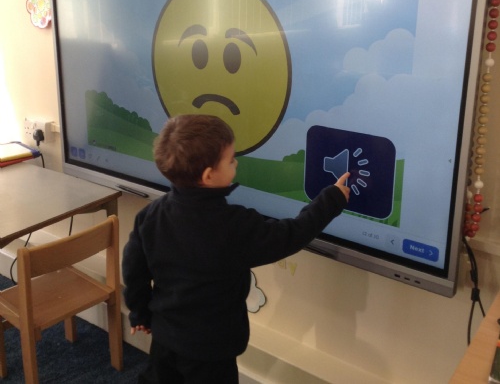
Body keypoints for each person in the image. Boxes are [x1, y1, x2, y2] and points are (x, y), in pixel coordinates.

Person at [122, 114, 350, 384]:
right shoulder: (234, 226)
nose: (236, 163)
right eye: (230, 160)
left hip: (165, 336)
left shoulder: (151, 214)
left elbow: (134, 269)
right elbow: (291, 234)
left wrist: (139, 311)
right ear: (208, 175)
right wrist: (332, 198)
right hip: (212, 350)